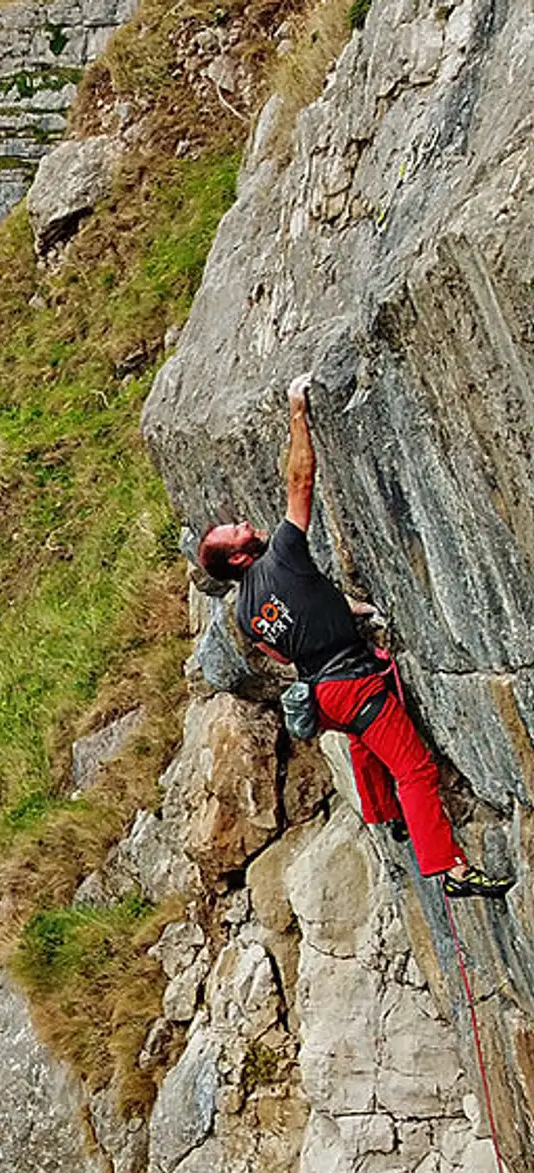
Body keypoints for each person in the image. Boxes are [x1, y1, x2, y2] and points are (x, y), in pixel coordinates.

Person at [195, 375, 514, 899]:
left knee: (366, 740)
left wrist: (347, 609)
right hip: (354, 683)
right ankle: (450, 870)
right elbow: (301, 481)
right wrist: (297, 412)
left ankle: (385, 813)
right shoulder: (282, 556)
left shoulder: (247, 611)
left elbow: (285, 638)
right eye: (236, 531)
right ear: (239, 557)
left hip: (324, 695)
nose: (245, 522)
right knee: (415, 768)